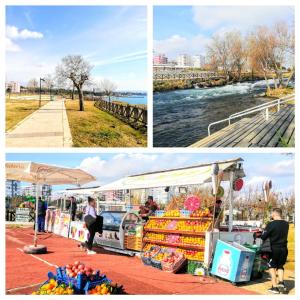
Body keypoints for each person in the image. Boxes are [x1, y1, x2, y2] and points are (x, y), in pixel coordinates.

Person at [260, 208, 289, 294]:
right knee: (280, 265)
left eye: (272, 214)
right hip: (284, 248)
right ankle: (281, 283)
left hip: (273, 249)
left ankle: (274, 287)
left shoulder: (271, 224)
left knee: (271, 266)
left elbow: (263, 237)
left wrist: (264, 228)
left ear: (275, 214)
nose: (271, 215)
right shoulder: (286, 224)